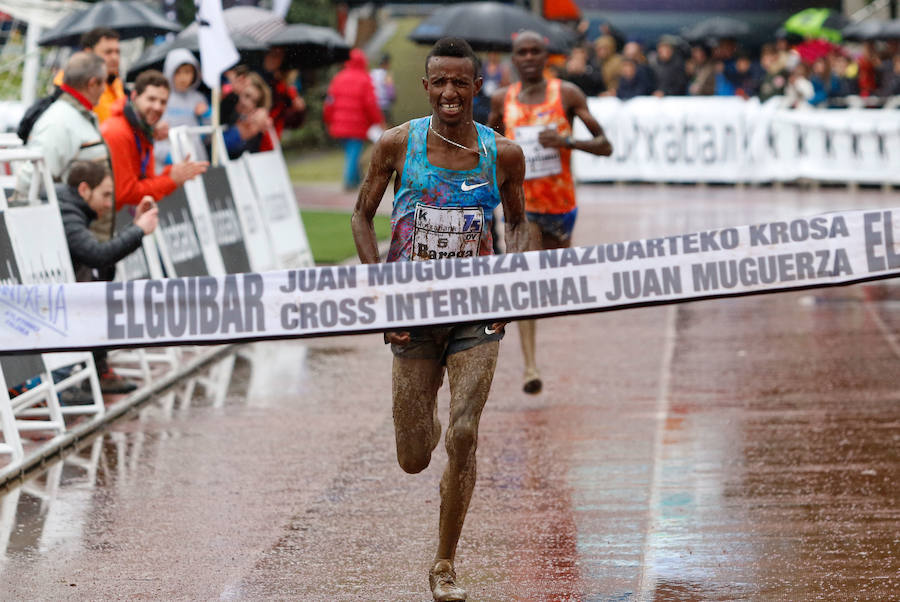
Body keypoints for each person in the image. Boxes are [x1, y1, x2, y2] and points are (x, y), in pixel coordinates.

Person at [351, 37, 529, 602]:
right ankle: (422, 408)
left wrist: (511, 277)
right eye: (440, 82)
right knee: (413, 456)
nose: (450, 93)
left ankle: (444, 564)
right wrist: (381, 289)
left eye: (461, 83)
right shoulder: (397, 145)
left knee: (466, 433)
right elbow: (361, 216)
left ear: (478, 88)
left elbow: (520, 224)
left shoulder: (502, 153)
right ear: (426, 87)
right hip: (412, 311)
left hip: (476, 312)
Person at [488, 30, 612, 394]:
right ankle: (530, 367)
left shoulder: (567, 94)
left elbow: (605, 146)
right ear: (513, 57)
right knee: (525, 281)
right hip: (522, 208)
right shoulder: (502, 100)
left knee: (553, 287)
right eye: (521, 52)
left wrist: (566, 141)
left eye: (534, 52)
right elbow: (487, 147)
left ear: (546, 57)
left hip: (561, 206)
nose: (527, 58)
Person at [57, 161, 158, 393]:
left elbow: (100, 261)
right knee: (92, 284)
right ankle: (62, 383)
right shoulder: (66, 211)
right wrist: (139, 230)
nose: (108, 203)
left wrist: (134, 227)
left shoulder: (71, 207)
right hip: (45, 299)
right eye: (105, 195)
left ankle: (97, 370)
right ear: (84, 190)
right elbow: (98, 255)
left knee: (98, 279)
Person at [102, 70, 208, 207]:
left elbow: (146, 180)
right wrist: (170, 179)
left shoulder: (143, 130)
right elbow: (125, 193)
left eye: (163, 102)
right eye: (151, 99)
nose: (157, 107)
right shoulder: (118, 131)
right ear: (134, 96)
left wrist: (171, 174)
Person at [15, 52, 108, 202]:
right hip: (70, 221)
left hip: (77, 220)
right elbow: (29, 180)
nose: (105, 89)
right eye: (104, 82)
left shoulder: (76, 116)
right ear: (92, 83)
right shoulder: (60, 121)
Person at [323, 49, 384, 191]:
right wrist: (378, 121)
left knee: (351, 153)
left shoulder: (338, 78)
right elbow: (370, 104)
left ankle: (357, 180)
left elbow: (329, 103)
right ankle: (349, 183)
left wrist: (328, 120)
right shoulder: (365, 79)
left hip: (339, 125)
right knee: (354, 154)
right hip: (357, 125)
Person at [54, 27, 125, 125]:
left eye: (117, 52)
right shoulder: (70, 81)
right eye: (108, 52)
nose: (114, 57)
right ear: (88, 52)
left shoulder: (116, 81)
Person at [155, 49, 209, 169]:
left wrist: (207, 115)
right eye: (178, 72)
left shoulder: (198, 98)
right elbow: (155, 134)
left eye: (187, 72)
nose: (183, 77)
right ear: (170, 73)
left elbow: (208, 135)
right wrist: (169, 156)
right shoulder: (161, 98)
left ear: (195, 74)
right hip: (170, 167)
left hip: (196, 161)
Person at [222, 72, 274, 159]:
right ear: (239, 91)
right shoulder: (225, 106)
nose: (247, 103)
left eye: (254, 101)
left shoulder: (254, 125)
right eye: (247, 95)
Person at [370, 53, 397, 125]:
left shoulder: (372, 73)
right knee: (389, 128)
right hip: (384, 106)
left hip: (374, 106)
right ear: (386, 63)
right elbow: (391, 93)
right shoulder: (386, 75)